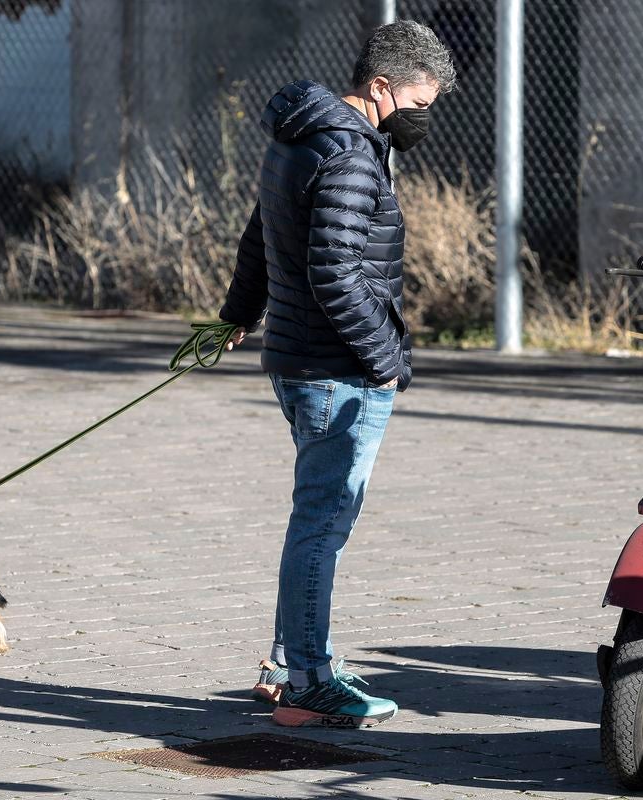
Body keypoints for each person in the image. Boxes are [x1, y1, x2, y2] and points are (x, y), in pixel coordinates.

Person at [218, 20, 456, 728]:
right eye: (419, 101)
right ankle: (310, 680)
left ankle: (289, 665)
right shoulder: (352, 156)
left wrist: (237, 314)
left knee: (315, 520)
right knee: (322, 525)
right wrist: (386, 364)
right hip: (335, 370)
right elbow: (336, 274)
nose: (424, 117)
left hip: (299, 360)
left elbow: (261, 232)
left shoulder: (300, 135)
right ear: (379, 87)